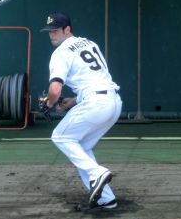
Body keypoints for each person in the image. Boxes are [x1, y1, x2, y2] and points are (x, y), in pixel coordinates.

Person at [40, 12, 122, 209]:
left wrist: (48, 104)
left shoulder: (60, 53)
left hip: (95, 103)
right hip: (113, 102)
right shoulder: (89, 43)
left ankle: (97, 173)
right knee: (81, 147)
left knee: (60, 137)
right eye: (49, 31)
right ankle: (106, 198)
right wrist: (73, 101)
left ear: (67, 29)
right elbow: (96, 79)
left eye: (56, 30)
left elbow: (55, 89)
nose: (52, 34)